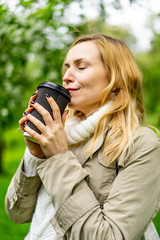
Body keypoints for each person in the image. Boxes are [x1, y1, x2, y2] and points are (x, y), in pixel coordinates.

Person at [5, 33, 160, 240]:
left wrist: (59, 157)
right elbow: (17, 213)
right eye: (67, 67)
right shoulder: (62, 134)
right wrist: (36, 155)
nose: (67, 75)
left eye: (81, 66)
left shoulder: (141, 144)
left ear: (115, 77)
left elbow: (111, 236)